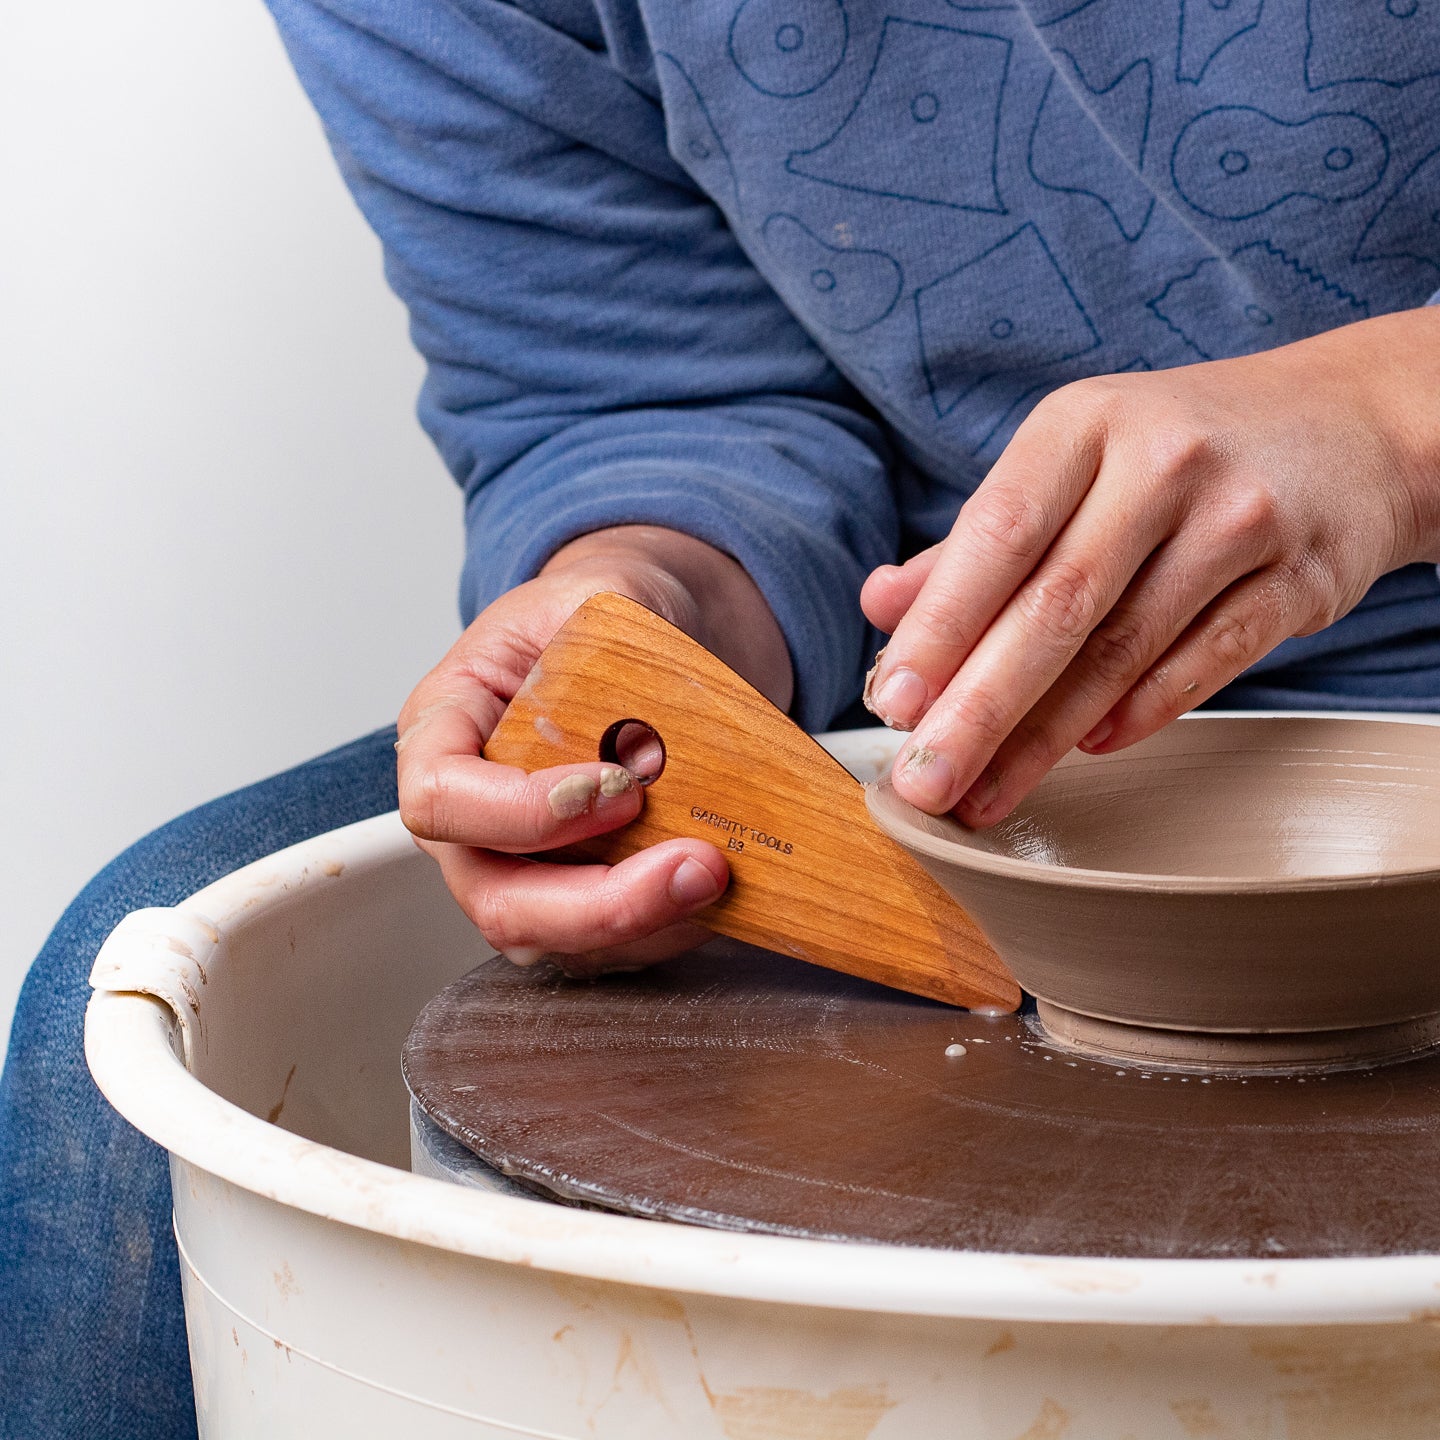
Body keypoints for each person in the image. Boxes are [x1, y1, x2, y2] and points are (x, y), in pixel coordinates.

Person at [4, 1, 1440, 1433]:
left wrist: (1388, 420)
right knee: (113, 1028)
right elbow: (656, 391)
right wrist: (646, 618)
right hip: (934, 701)